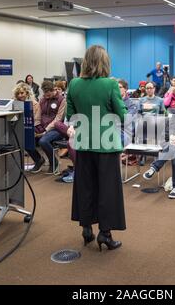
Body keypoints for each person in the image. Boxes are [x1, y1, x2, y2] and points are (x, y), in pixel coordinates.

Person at [66, 45, 127, 251]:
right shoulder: (110, 84)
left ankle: (86, 229)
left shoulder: (73, 84)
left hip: (83, 144)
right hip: (106, 145)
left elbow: (71, 117)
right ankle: (105, 234)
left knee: (85, 187)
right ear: (104, 62)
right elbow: (122, 114)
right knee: (107, 191)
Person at [36, 80, 67, 173]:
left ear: (54, 90)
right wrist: (37, 126)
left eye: (48, 94)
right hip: (43, 127)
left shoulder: (62, 100)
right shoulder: (42, 99)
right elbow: (38, 115)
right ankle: (38, 160)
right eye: (45, 94)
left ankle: (54, 162)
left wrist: (46, 130)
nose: (46, 96)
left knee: (43, 141)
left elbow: (58, 119)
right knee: (27, 139)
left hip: (57, 129)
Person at [13, 82, 44, 173]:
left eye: (22, 93)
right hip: (20, 127)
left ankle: (38, 160)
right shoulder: (16, 104)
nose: (20, 95)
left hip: (33, 127)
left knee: (27, 138)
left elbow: (37, 119)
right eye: (18, 93)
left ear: (27, 93)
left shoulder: (35, 104)